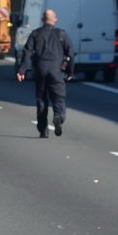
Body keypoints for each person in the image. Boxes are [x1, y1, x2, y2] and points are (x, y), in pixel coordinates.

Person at [16, 9, 74, 138]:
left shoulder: (36, 34)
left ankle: (43, 130)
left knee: (41, 100)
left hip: (41, 69)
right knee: (58, 97)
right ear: (55, 19)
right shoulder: (61, 34)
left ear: (42, 19)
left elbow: (28, 52)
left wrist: (22, 70)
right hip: (56, 70)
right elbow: (70, 52)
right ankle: (58, 116)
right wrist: (70, 71)